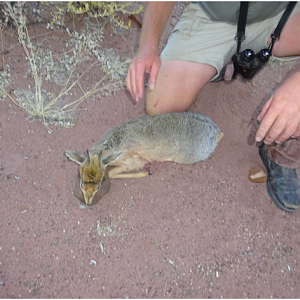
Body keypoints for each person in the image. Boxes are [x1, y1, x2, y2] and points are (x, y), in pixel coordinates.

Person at [126, 2, 300, 212]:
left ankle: (284, 145)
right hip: (216, 16)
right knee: (160, 104)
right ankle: (221, 61)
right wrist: (148, 45)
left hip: (286, 18)